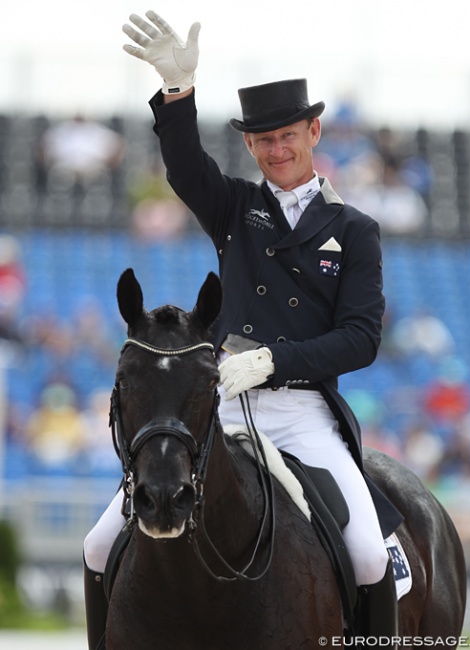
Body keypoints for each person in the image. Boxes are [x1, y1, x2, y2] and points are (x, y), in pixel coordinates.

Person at [83, 10, 402, 648]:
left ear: (313, 132)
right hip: (221, 411)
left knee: (369, 555)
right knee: (97, 546)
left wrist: (272, 363)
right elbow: (183, 169)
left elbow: (362, 338)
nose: (277, 151)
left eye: (287, 136)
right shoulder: (235, 206)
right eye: (263, 142)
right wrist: (178, 95)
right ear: (251, 147)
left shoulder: (356, 231)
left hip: (305, 414)